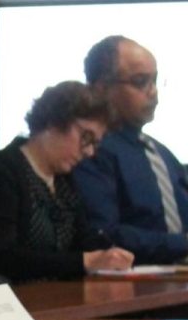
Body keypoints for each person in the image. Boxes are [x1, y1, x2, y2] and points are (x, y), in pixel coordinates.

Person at [0, 81, 133, 281]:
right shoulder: (1, 169)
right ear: (54, 122)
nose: (90, 152)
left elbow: (83, 240)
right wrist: (85, 261)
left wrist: (110, 255)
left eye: (95, 143)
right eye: (86, 137)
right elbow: (1, 257)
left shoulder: (64, 180)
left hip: (53, 297)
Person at [74, 35, 188, 264]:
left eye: (154, 80)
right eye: (140, 81)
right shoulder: (91, 151)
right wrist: (181, 245)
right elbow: (105, 233)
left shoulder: (161, 153)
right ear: (101, 88)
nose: (153, 91)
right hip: (131, 284)